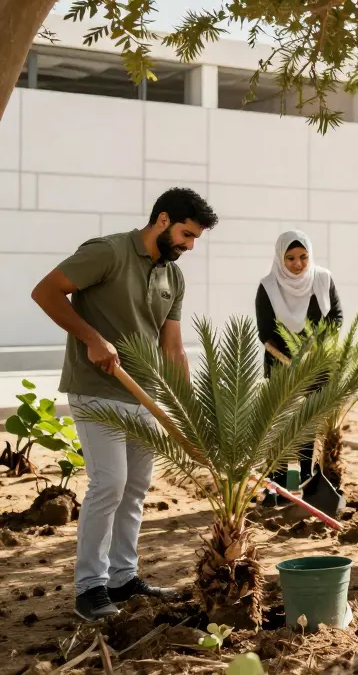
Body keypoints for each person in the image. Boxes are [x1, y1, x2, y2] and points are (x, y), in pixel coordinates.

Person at [30, 188, 218, 621]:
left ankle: (123, 577)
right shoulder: (108, 252)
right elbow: (46, 292)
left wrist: (185, 411)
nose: (190, 246)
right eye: (187, 235)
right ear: (163, 219)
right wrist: (92, 337)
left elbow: (173, 347)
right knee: (109, 484)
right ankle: (90, 587)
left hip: (144, 394)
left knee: (134, 489)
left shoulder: (174, 276)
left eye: (195, 240)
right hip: (97, 390)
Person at [255, 230, 342, 497]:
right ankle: (277, 486)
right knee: (281, 423)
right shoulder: (268, 286)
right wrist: (291, 360)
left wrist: (315, 352)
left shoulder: (323, 279)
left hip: (317, 366)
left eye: (303, 257)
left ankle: (309, 479)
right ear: (281, 258)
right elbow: (265, 331)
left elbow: (336, 317)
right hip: (282, 367)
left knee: (309, 423)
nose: (298, 264)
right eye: (290, 258)